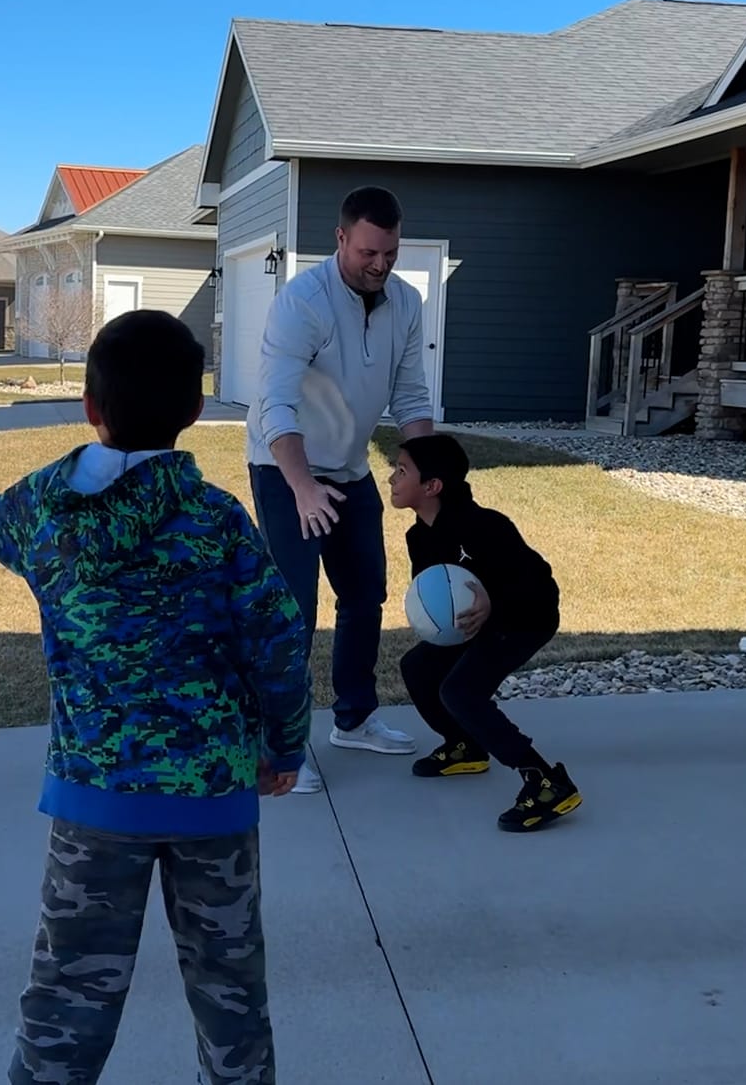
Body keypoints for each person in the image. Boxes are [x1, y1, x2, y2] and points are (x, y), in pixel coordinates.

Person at [0, 310, 311, 1085]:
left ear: (91, 407)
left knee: (65, 1007)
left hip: (94, 801)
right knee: (231, 1005)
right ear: (194, 412)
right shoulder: (217, 520)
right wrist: (284, 745)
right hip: (212, 802)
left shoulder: (42, 510)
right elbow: (279, 640)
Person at [246, 185, 436, 792]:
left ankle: (353, 718)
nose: (380, 264)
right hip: (285, 469)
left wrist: (432, 478)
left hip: (350, 469)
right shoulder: (302, 302)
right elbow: (274, 404)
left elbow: (410, 397)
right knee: (293, 612)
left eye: (391, 252)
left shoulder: (406, 303)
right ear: (340, 240)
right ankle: (282, 746)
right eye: (368, 252)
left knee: (364, 594)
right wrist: (302, 487)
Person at [388, 433, 583, 833]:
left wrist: (493, 602)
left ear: (432, 486)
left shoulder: (485, 526)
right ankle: (466, 746)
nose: (391, 477)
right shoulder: (418, 537)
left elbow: (541, 585)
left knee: (461, 691)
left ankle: (546, 781)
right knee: (417, 667)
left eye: (402, 470)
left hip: (525, 619)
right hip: (474, 626)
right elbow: (434, 593)